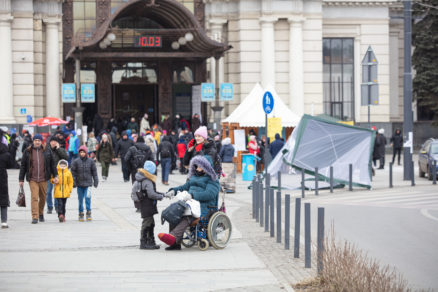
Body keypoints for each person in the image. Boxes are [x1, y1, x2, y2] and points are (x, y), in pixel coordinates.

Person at [158, 155, 220, 250]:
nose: (198, 168)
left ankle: (173, 237)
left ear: (206, 167)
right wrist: (173, 191)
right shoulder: (193, 177)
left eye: (200, 166)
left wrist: (193, 195)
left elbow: (209, 194)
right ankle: (175, 244)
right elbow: (183, 187)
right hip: (190, 203)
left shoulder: (213, 179)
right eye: (197, 166)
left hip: (205, 207)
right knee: (174, 212)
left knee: (187, 216)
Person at [131, 160, 171, 249]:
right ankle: (144, 242)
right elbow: (152, 194)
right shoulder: (147, 180)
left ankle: (150, 241)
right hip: (147, 204)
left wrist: (163, 194)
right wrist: (162, 196)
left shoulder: (141, 178)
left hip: (145, 204)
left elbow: (151, 192)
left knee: (151, 223)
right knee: (147, 223)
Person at [19, 134, 58, 224]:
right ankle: (35, 216)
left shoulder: (47, 151)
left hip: (44, 178)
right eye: (35, 140)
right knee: (34, 197)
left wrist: (55, 175)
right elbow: (23, 166)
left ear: (41, 141)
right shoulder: (27, 151)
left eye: (39, 140)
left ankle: (41, 213)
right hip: (32, 179)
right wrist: (21, 180)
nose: (37, 142)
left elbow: (52, 164)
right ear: (33, 141)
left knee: (43, 198)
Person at [71, 145, 99, 221]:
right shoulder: (76, 161)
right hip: (79, 184)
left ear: (86, 153)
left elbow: (94, 172)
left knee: (88, 198)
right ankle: (80, 213)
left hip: (88, 184)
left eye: (83, 152)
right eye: (81, 152)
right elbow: (73, 172)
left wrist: (96, 181)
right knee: (80, 200)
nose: (82, 153)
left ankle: (88, 212)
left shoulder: (91, 161)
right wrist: (73, 182)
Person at [46, 136, 68, 214]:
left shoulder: (61, 150)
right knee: (48, 191)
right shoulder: (47, 150)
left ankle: (57, 206)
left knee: (56, 191)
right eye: (52, 141)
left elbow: (65, 158)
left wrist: (58, 149)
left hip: (58, 174)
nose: (53, 143)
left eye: (55, 141)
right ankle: (49, 207)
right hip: (49, 174)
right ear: (50, 142)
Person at [0, 132, 13, 228]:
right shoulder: (5, 152)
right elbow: (10, 165)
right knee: (3, 197)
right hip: (2, 176)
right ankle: (4, 221)